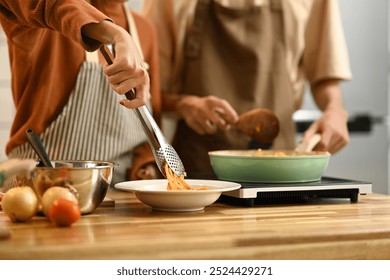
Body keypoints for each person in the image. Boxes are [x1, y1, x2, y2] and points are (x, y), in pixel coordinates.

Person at [143, 0, 352, 178]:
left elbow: (325, 75)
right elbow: (148, 90)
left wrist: (335, 110)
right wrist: (184, 105)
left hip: (283, 168)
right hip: (199, 172)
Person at [0, 0, 162, 184]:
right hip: (40, 186)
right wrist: (114, 32)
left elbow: (151, 123)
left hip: (119, 197)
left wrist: (145, 165)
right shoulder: (44, 16)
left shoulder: (145, 30)